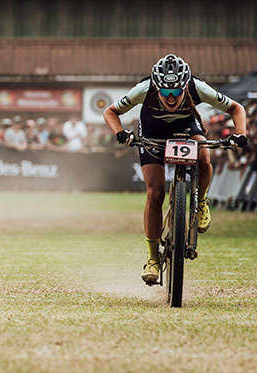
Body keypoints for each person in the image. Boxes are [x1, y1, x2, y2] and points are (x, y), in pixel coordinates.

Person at [103, 54, 248, 284]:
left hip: (187, 126)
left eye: (176, 93)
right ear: (157, 87)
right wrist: (120, 133)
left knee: (203, 154)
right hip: (152, 131)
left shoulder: (196, 87)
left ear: (184, 87)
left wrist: (240, 134)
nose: (171, 98)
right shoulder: (144, 88)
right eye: (166, 93)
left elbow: (236, 109)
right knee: (155, 192)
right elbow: (110, 112)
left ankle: (201, 203)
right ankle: (152, 258)